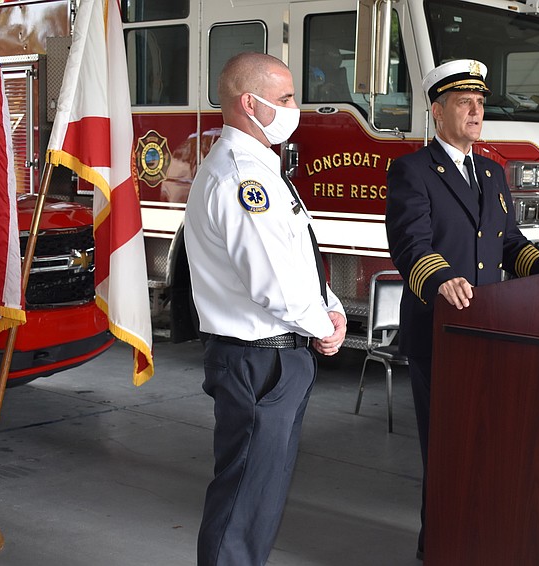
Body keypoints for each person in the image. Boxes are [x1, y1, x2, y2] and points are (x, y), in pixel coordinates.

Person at [384, 59, 539, 560]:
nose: (475, 111)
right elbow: (410, 245)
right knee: (447, 447)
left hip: (490, 328)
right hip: (440, 330)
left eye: (480, 103)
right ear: (437, 111)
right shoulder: (412, 171)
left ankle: (477, 537)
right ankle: (438, 545)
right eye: (464, 102)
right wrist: (442, 279)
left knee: (485, 444)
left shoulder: (491, 171)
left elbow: (508, 242)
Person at [184, 52, 347, 566]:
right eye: (286, 98)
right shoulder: (241, 178)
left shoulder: (263, 168)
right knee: (243, 507)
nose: (296, 108)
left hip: (276, 356)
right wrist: (323, 325)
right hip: (258, 361)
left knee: (259, 502)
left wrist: (333, 309)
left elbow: (298, 257)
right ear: (250, 104)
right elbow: (273, 283)